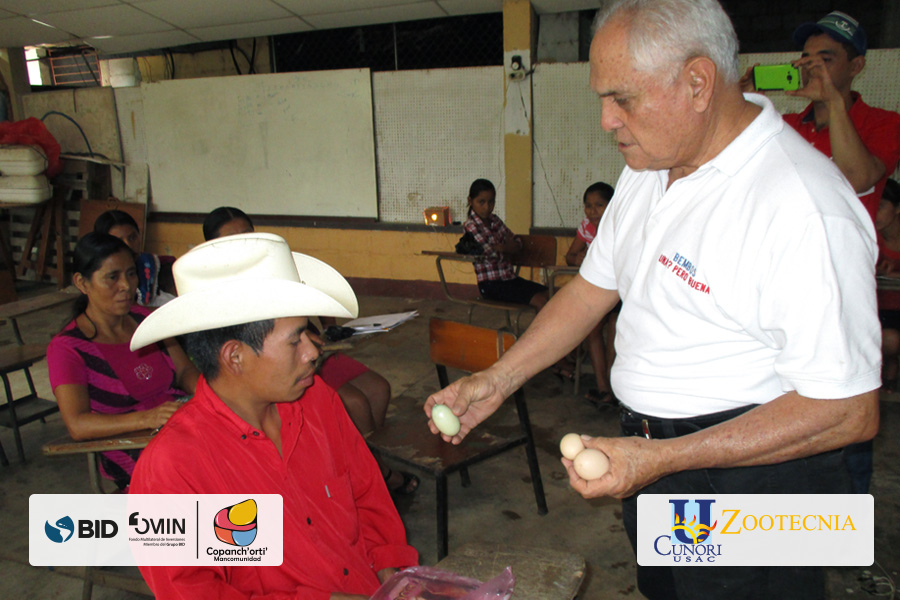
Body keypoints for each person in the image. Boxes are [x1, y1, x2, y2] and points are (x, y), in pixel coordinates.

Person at [425, 1, 880, 598]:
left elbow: (848, 409)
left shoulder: (803, 207)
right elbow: (590, 291)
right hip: (653, 453)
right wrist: (499, 379)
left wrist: (664, 459)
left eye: (622, 99)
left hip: (753, 476)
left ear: (698, 82)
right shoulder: (648, 167)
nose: (606, 121)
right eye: (602, 99)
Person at [129, 232, 418, 599]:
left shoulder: (316, 400)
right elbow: (192, 590)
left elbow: (368, 496)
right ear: (235, 357)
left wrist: (392, 577)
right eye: (295, 340)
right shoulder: (172, 469)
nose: (313, 352)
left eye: (309, 335)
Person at [203, 206, 418, 495]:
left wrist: (322, 331)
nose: (244, 247)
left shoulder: (276, 273)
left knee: (378, 389)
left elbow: (313, 307)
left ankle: (364, 464)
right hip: (283, 363)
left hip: (309, 350)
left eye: (248, 236)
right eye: (231, 241)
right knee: (353, 404)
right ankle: (374, 473)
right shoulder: (211, 297)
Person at [47, 232, 198, 490]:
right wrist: (147, 418)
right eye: (112, 277)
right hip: (132, 447)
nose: (126, 286)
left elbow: (184, 371)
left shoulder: (146, 319)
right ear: (82, 283)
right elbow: (78, 424)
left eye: (131, 273)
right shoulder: (67, 349)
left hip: (179, 425)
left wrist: (211, 399)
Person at [741, 11, 900, 225]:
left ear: (856, 66)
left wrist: (832, 100)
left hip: (847, 245)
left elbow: (856, 179)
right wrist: (743, 103)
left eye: (825, 60)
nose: (812, 67)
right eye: (806, 58)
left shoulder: (885, 123)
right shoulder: (784, 125)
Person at [564, 182, 617, 407]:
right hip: (597, 292)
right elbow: (569, 256)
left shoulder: (619, 225)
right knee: (592, 329)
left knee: (616, 328)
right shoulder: (586, 227)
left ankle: (614, 386)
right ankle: (603, 387)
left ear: (612, 205)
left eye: (599, 205)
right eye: (588, 205)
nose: (593, 211)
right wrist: (577, 259)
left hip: (621, 293)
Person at [464, 178, 549, 310]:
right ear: (470, 201)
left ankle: (542, 323)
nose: (487, 207)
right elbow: (487, 252)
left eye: (491, 202)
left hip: (509, 278)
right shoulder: (471, 226)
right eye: (481, 202)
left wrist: (502, 248)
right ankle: (542, 324)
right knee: (540, 301)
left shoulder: (495, 220)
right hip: (491, 285)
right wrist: (506, 248)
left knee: (550, 294)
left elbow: (517, 242)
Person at [93, 209, 176, 307]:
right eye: (119, 241)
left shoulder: (149, 264)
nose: (128, 245)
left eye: (132, 238)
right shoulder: (97, 274)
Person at [874, 179, 900, 390]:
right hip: (878, 309)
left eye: (881, 206)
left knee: (890, 340)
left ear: (898, 208)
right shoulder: (869, 237)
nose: (874, 212)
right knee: (888, 339)